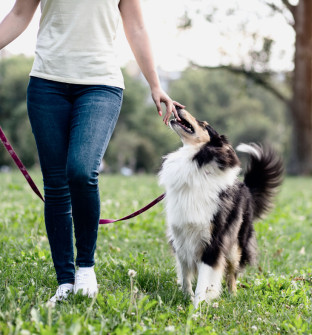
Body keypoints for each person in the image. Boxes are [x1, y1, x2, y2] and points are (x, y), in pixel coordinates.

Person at [0, 0, 184, 303]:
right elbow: (19, 14)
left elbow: (136, 26)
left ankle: (85, 267)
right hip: (47, 84)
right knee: (56, 185)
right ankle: (65, 282)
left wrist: (155, 83)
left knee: (81, 170)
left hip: (101, 85)